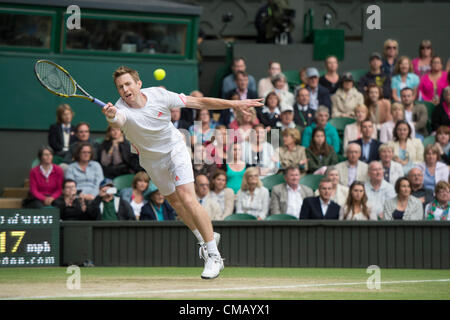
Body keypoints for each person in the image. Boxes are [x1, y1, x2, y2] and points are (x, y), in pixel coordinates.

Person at [102, 65, 263, 279]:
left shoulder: (160, 95)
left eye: (128, 84)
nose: (124, 89)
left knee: (188, 198)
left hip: (176, 149)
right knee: (175, 202)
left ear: (138, 84)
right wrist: (111, 116)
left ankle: (214, 257)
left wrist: (234, 104)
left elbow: (201, 102)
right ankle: (206, 238)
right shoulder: (121, 110)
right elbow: (118, 120)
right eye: (120, 87)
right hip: (151, 161)